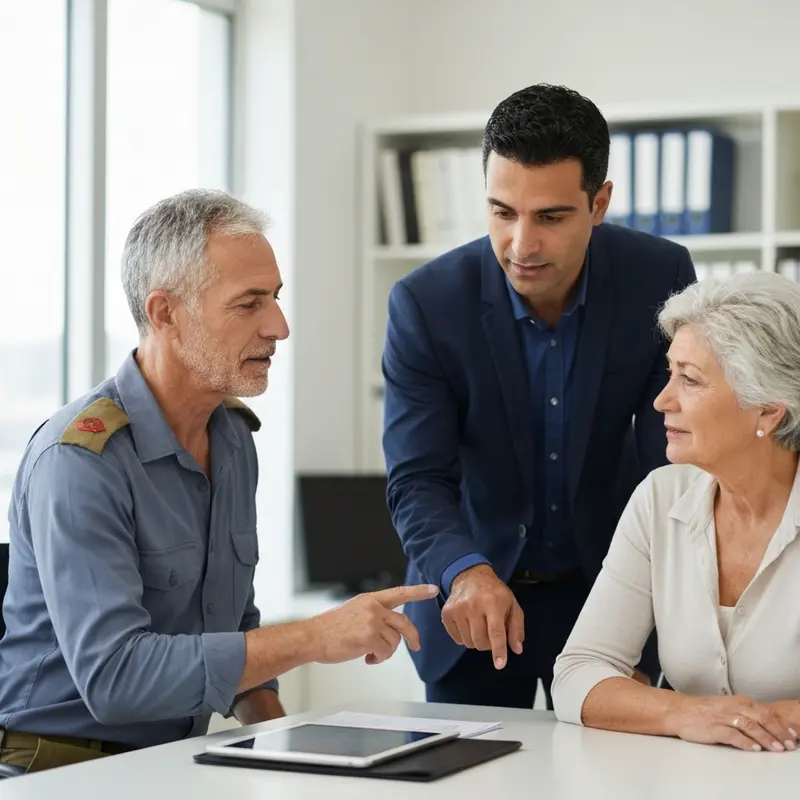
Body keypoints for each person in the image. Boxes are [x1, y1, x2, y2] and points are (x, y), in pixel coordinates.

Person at [0, 189, 437, 773]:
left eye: (276, 298)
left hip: (180, 764)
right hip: (59, 774)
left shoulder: (231, 439)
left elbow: (229, 625)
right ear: (165, 313)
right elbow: (115, 679)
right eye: (248, 304)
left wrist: (285, 736)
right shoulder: (80, 460)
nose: (278, 326)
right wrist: (313, 637)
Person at [381, 83, 697, 710]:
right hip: (472, 598)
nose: (521, 245)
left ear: (599, 202)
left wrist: (663, 586)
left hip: (614, 596)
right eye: (502, 213)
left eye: (550, 217)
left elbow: (676, 455)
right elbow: (417, 479)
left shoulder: (658, 278)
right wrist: (463, 571)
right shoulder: (425, 304)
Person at [552, 271, 800, 753]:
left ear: (770, 413)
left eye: (690, 380)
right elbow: (579, 671)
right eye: (670, 373)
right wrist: (687, 713)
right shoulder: (660, 499)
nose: (662, 400)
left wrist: (758, 722)